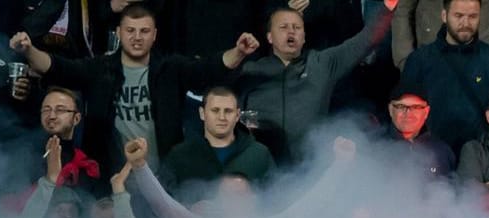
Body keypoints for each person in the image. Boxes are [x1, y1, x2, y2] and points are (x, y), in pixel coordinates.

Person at [13, 7, 257, 176]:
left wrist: (239, 53)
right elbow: (59, 69)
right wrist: (28, 50)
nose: (137, 37)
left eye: (144, 31)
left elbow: (207, 69)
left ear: (154, 36)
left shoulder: (170, 69)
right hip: (109, 181)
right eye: (130, 31)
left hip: (163, 179)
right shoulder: (99, 69)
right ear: (119, 33)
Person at [238, 0, 399, 164]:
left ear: (304, 37)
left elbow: (366, 40)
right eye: (284, 27)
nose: (291, 32)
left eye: (297, 27)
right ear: (269, 37)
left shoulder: (322, 63)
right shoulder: (251, 71)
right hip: (262, 168)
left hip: (308, 167)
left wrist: (387, 7)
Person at [394, 0, 489, 159]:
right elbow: (404, 116)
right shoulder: (419, 61)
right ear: (444, 16)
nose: (465, 23)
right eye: (458, 16)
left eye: (472, 16)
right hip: (430, 157)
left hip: (482, 159)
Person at [159, 86, 272, 192]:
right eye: (215, 110)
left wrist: (250, 202)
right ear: (202, 113)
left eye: (228, 111)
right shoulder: (179, 156)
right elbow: (163, 201)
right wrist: (189, 208)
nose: (222, 117)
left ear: (237, 115)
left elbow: (274, 199)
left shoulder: (260, 155)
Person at [380, 88, 456, 178]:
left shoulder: (442, 151)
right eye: (401, 106)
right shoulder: (373, 148)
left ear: (426, 112)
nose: (408, 113)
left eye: (416, 107)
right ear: (390, 110)